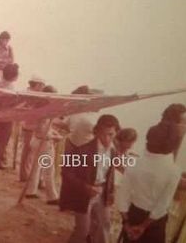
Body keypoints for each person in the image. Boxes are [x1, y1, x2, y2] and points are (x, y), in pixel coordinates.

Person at [116, 104, 185, 243]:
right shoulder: (173, 171)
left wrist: (127, 224)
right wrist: (143, 227)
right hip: (154, 223)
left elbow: (122, 196)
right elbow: (162, 206)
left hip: (133, 214)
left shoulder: (134, 162)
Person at [60, 114, 121, 243]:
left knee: (104, 226)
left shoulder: (113, 151)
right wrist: (86, 187)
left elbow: (110, 173)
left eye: (111, 134)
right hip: (84, 194)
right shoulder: (83, 150)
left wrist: (110, 192)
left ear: (116, 132)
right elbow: (66, 173)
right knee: (82, 231)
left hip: (102, 193)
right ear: (97, 131)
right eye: (103, 134)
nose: (107, 138)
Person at [25, 85, 63, 205]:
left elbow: (43, 128)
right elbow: (43, 130)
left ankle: (31, 191)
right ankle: (52, 197)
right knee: (49, 170)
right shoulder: (46, 110)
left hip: (37, 140)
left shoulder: (39, 107)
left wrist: (53, 133)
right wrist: (55, 136)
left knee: (36, 168)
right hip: (43, 142)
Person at [0, 63, 19, 170]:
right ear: (14, 76)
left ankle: (1, 158)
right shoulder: (13, 88)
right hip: (6, 118)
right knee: (3, 140)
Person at [19, 75, 46, 181]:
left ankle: (25, 176)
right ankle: (25, 177)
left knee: (27, 154)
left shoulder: (27, 93)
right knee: (28, 154)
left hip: (27, 126)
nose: (43, 88)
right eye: (42, 85)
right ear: (38, 84)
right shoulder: (31, 95)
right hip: (30, 127)